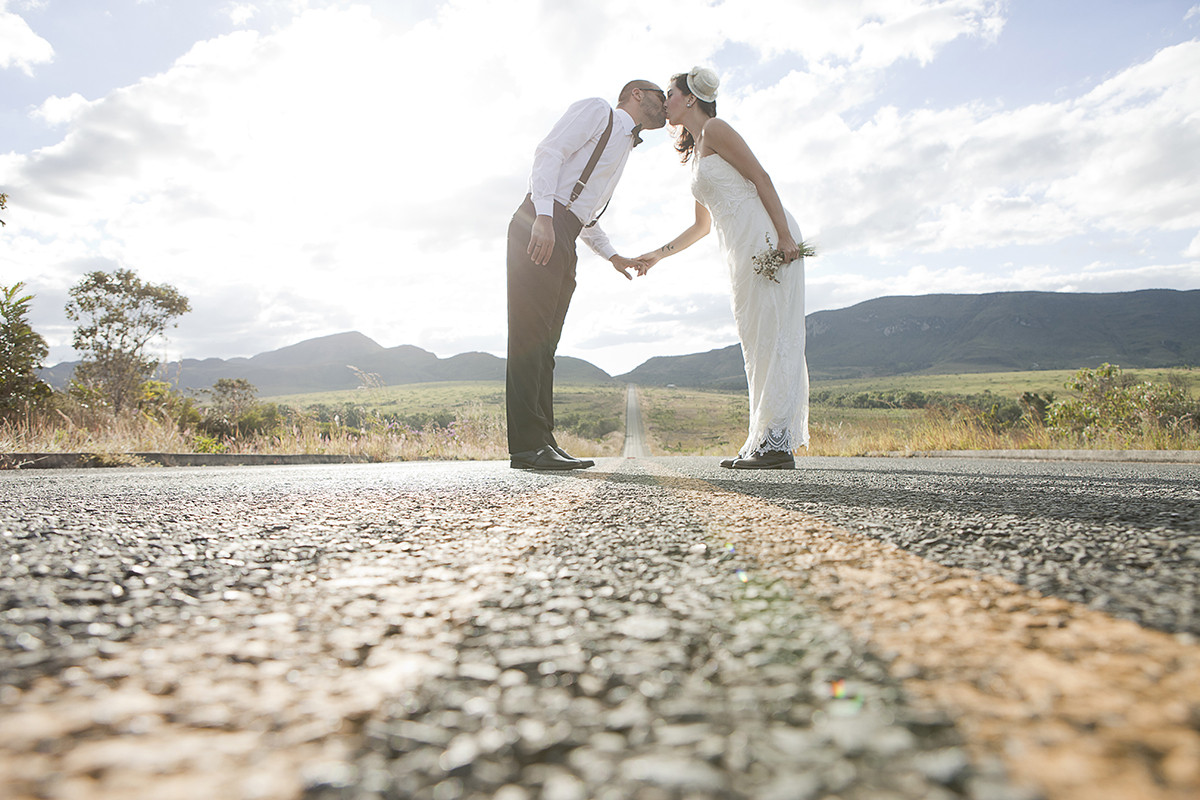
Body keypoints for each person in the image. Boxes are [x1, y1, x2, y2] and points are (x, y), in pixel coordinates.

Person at [634, 67, 809, 470]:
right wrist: (658, 254)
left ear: (690, 98)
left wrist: (784, 237)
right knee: (755, 339)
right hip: (739, 248)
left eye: (670, 94)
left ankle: (776, 446)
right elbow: (702, 226)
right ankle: (761, 439)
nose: (665, 101)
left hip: (766, 236)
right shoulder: (697, 150)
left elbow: (761, 177)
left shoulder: (716, 129)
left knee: (773, 333)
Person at [507, 80, 668, 470]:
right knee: (530, 336)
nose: (667, 106)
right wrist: (543, 218)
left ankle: (543, 439)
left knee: (547, 343)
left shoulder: (625, 144)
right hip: (541, 220)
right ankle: (527, 447)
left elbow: (585, 211)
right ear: (637, 94)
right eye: (661, 98)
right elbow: (549, 152)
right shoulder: (599, 111)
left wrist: (613, 256)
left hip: (568, 231)